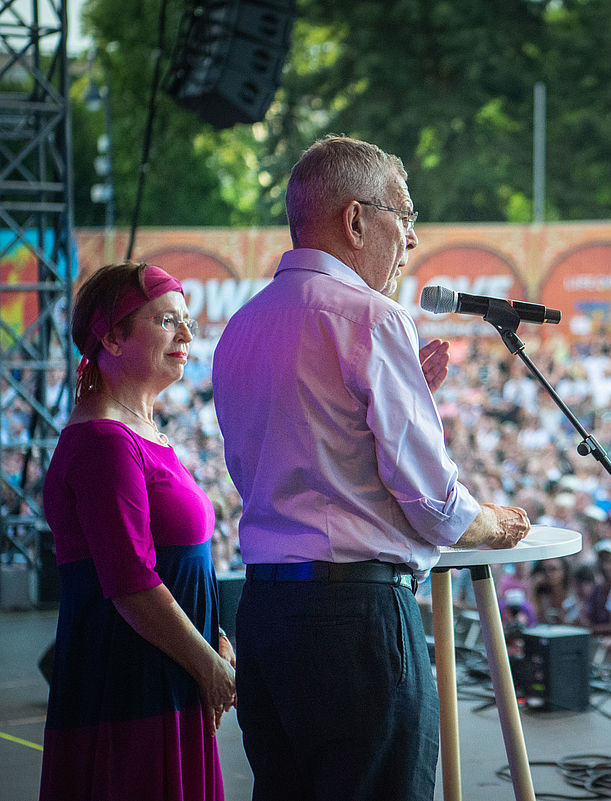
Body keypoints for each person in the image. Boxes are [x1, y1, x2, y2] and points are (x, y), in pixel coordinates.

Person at [212, 135, 530, 801]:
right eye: (404, 215)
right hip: (354, 615)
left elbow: (306, 447)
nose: (412, 239)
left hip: (265, 610)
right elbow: (432, 501)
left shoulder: (242, 325)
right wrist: (493, 523)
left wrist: (405, 393)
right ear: (356, 220)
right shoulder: (371, 317)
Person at [40, 262, 237, 801]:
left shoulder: (142, 432)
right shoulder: (104, 443)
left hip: (166, 671)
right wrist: (208, 665)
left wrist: (213, 635)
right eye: (167, 320)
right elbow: (131, 583)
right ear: (112, 337)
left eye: (186, 320)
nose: (186, 334)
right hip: (132, 688)